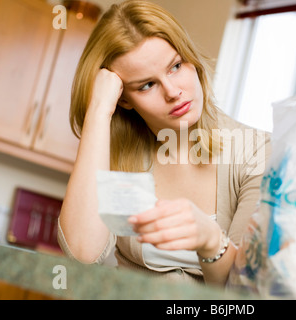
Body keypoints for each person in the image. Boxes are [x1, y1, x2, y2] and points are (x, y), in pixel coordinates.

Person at [58, 0, 271, 286]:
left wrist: (210, 240)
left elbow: (243, 286)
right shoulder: (122, 158)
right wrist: (98, 110)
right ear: (123, 98)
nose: (173, 92)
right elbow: (83, 253)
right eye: (146, 85)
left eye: (175, 66)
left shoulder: (256, 151)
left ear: (190, 59)